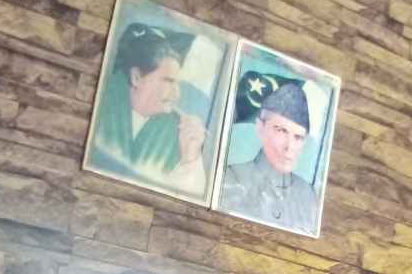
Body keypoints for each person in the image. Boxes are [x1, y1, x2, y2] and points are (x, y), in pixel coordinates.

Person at [92, 23, 206, 195]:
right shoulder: (102, 102)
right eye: (169, 81)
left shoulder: (177, 132)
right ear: (136, 77)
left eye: (178, 83)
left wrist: (190, 159)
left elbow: (187, 195)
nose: (177, 93)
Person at [220, 80, 319, 234]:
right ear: (260, 128)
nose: (289, 146)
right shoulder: (232, 177)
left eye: (298, 137)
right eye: (281, 131)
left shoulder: (308, 196)